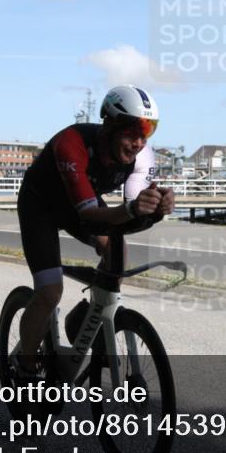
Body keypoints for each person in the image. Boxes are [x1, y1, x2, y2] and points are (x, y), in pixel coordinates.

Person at [13, 85, 175, 376]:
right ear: (109, 124)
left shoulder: (142, 155)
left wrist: (155, 208)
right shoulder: (71, 143)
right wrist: (133, 210)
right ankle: (25, 367)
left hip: (79, 202)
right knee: (50, 291)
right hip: (41, 207)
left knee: (117, 249)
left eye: (147, 132)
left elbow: (131, 211)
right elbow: (90, 214)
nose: (138, 142)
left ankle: (85, 319)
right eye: (131, 132)